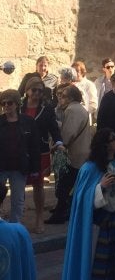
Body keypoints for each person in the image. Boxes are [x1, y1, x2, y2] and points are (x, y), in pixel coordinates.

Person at [61, 128, 115, 279]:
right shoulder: (89, 168)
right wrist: (100, 187)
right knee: (97, 267)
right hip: (98, 228)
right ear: (106, 145)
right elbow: (81, 201)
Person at [21, 77, 63, 233]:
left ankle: (39, 218)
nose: (37, 93)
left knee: (38, 184)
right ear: (27, 90)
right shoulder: (19, 107)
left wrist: (59, 142)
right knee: (20, 184)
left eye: (40, 90)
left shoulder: (47, 109)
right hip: (21, 151)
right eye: (34, 90)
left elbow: (54, 128)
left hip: (40, 150)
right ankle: (18, 218)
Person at [45, 85, 92, 225]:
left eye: (64, 96)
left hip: (75, 154)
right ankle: (64, 210)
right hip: (81, 151)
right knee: (70, 184)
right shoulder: (79, 108)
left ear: (71, 97)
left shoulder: (72, 110)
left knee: (65, 185)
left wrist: (58, 145)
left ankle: (60, 213)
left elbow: (68, 133)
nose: (61, 98)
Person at [0, 89, 41, 223]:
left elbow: (34, 146)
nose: (6, 106)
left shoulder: (28, 121)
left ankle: (15, 228)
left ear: (17, 104)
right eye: (3, 103)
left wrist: (35, 169)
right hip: (1, 167)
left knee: (18, 200)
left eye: (9, 103)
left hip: (19, 167)